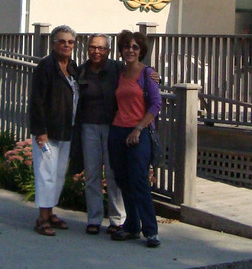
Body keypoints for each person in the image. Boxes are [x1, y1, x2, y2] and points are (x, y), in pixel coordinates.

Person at [108, 29, 163, 248]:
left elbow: (156, 105)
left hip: (139, 133)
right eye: (126, 46)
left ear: (141, 51)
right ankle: (131, 225)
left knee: (139, 181)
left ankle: (151, 230)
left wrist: (138, 128)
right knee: (123, 180)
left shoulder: (147, 74)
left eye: (135, 47)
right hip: (117, 131)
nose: (130, 50)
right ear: (121, 50)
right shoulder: (119, 73)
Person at [28, 25, 79, 236]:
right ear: (53, 43)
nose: (66, 45)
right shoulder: (46, 67)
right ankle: (42, 218)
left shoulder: (73, 67)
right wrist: (40, 131)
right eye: (62, 41)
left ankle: (50, 213)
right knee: (45, 174)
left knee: (58, 175)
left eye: (70, 42)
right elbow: (36, 101)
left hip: (67, 130)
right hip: (48, 132)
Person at [75, 33, 127, 235]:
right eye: (92, 47)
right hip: (88, 126)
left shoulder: (117, 70)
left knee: (113, 174)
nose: (96, 51)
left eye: (101, 48)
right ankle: (94, 219)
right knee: (92, 174)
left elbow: (137, 77)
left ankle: (117, 220)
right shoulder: (81, 71)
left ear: (108, 51)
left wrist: (152, 76)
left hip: (113, 126)